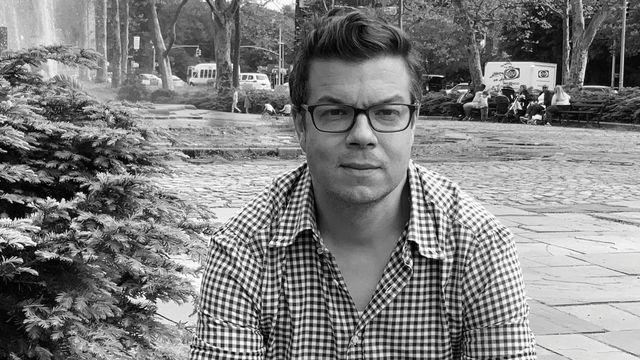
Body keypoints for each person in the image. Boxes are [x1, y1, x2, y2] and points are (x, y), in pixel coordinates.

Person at [190, 8, 536, 359]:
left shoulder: (478, 246)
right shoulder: (243, 250)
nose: (362, 136)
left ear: (413, 122)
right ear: (300, 126)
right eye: (335, 112)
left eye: (386, 113)